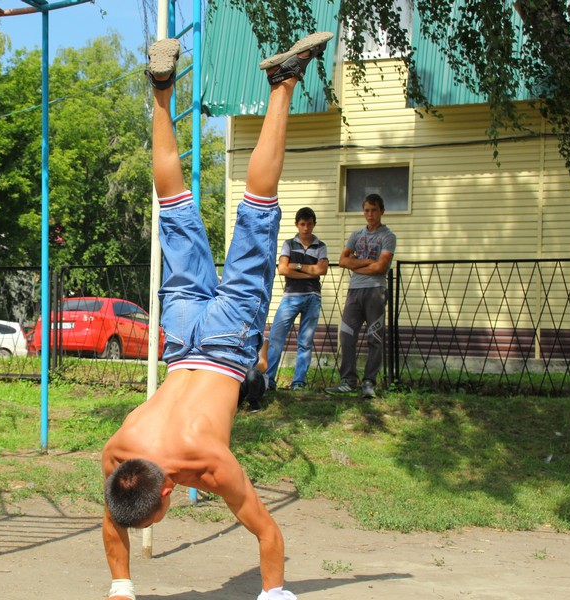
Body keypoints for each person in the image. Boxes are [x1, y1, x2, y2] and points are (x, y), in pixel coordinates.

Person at [101, 31, 333, 600]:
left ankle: (282, 86)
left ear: (162, 497)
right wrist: (120, 587)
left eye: (152, 518)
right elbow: (114, 518)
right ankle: (160, 92)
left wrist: (274, 594)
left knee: (258, 214)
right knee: (174, 209)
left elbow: (266, 532)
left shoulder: (208, 461)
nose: (144, 522)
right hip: (181, 334)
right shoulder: (118, 452)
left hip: (227, 341)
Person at [325, 194, 396, 399]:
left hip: (376, 290)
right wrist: (369, 264)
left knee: (374, 337)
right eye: (366, 210)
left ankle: (369, 383)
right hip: (354, 291)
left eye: (374, 210)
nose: (370, 214)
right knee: (347, 334)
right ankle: (348, 381)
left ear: (382, 211)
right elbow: (342, 261)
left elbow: (382, 267)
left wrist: (358, 263)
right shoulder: (356, 235)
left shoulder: (387, 236)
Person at [264, 207, 328, 392]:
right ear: (297, 225)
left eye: (309, 224)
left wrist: (297, 266)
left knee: (305, 341)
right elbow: (283, 269)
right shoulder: (289, 244)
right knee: (276, 336)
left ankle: (298, 382)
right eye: (302, 224)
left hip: (312, 297)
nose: (306, 228)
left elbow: (322, 270)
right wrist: (310, 272)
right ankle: (269, 380)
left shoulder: (320, 246)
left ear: (314, 224)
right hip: (291, 296)